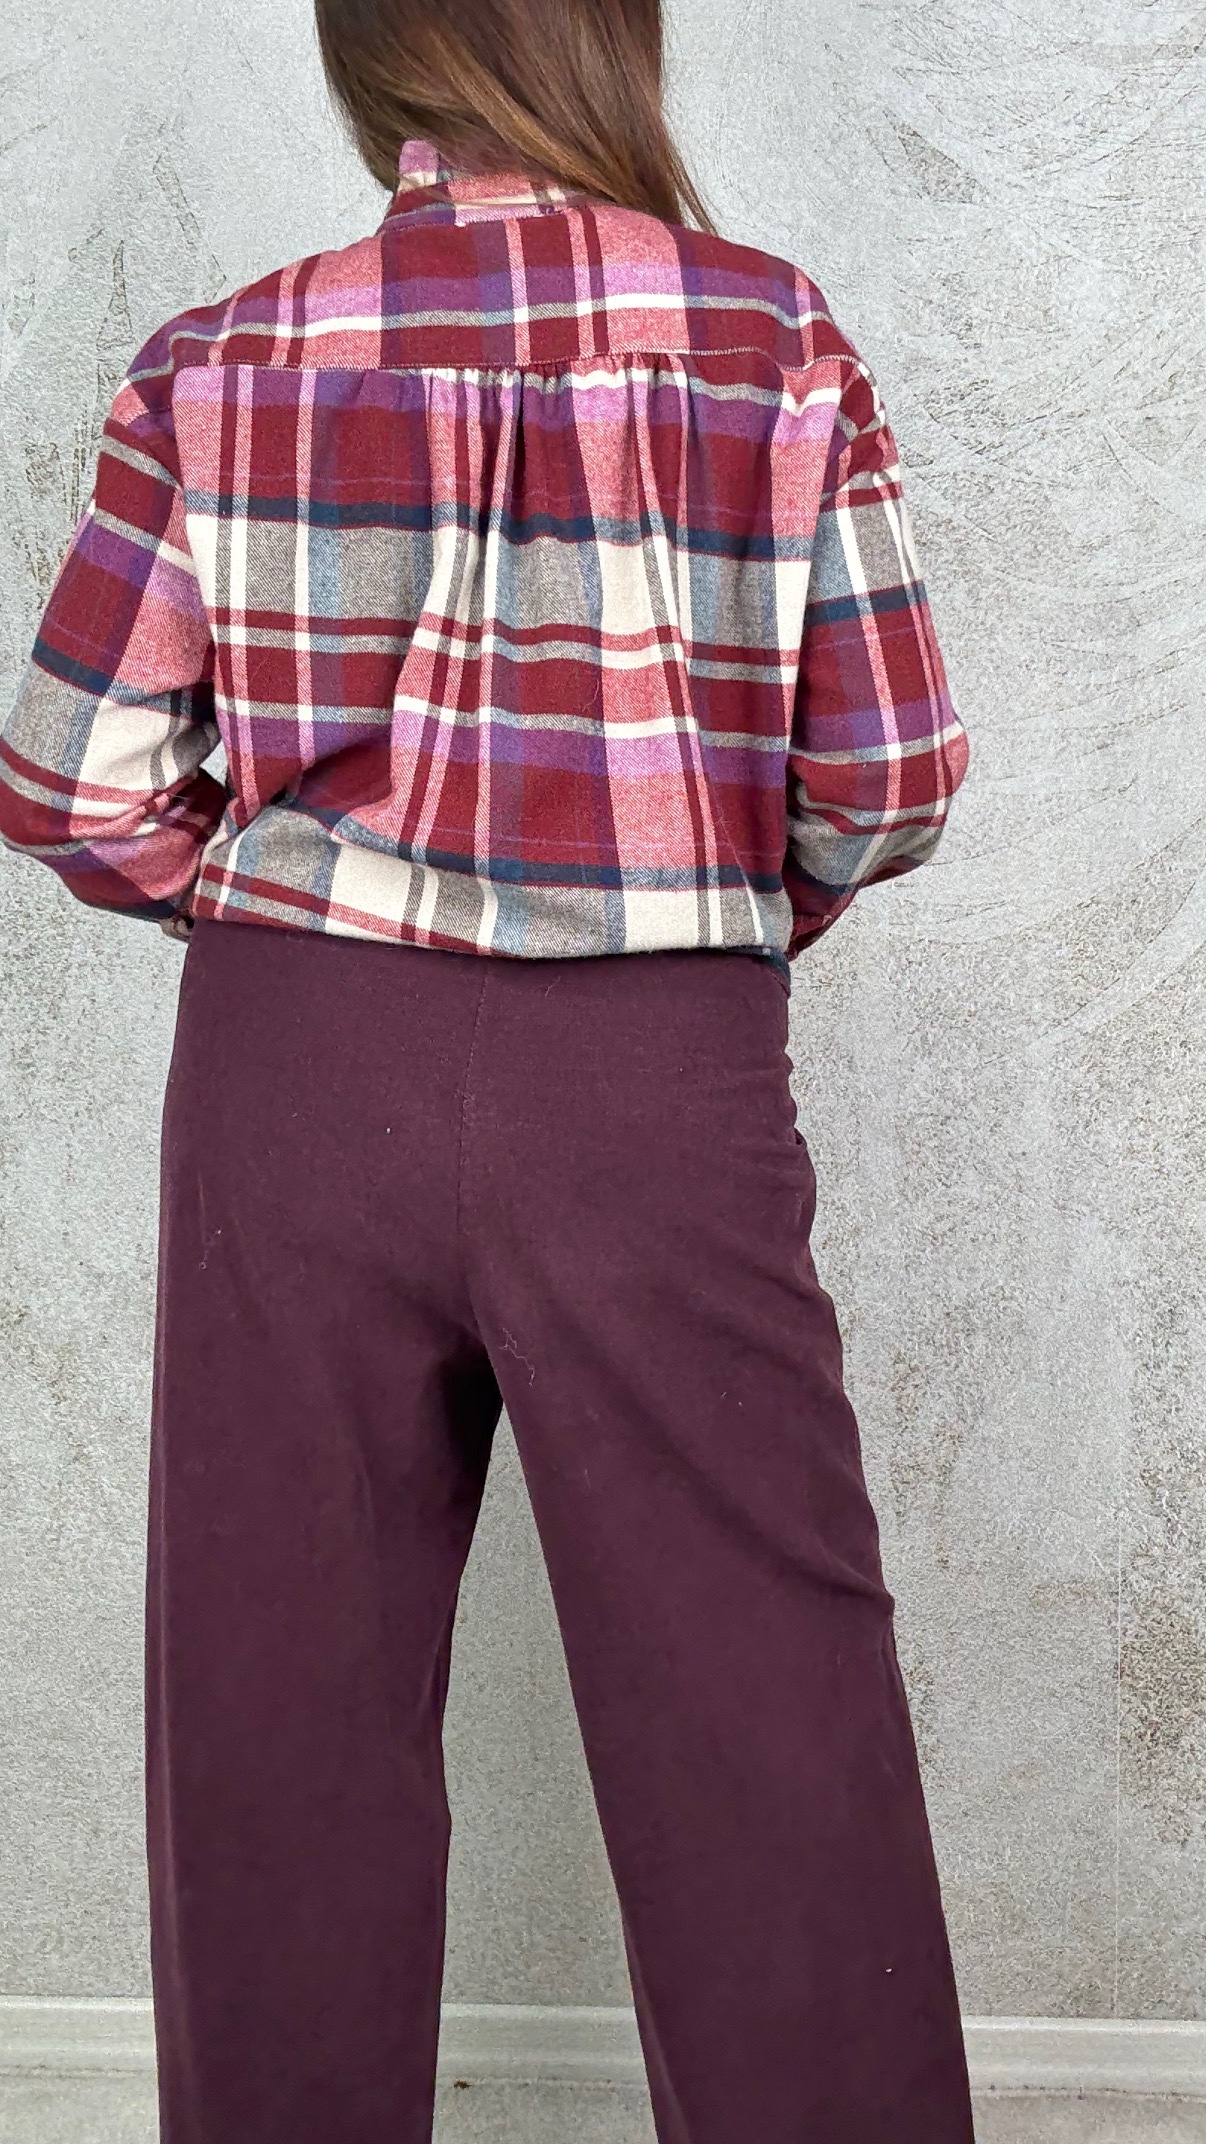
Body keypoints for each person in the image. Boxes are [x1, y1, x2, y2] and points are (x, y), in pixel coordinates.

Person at [0, 0, 974, 2137]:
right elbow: (890, 774)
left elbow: (71, 785)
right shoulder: (768, 337)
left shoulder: (222, 355)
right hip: (658, 1077)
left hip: (294, 1069)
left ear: (374, 61)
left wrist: (271, 896)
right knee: (764, 1701)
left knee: (280, 1711)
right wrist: (712, 899)